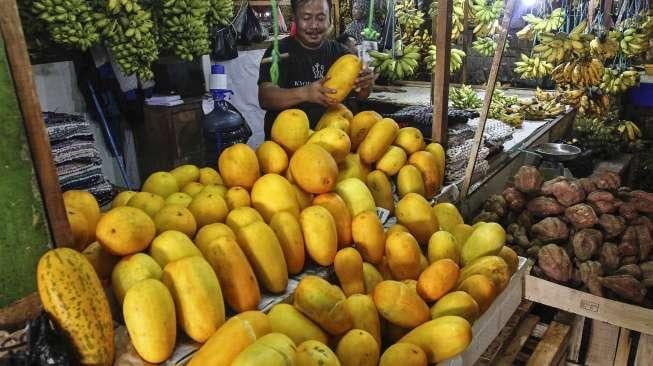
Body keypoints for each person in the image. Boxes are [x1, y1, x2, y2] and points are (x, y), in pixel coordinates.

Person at [258, 0, 375, 139]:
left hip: (332, 145)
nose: (314, 25)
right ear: (294, 18)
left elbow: (359, 96)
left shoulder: (342, 54)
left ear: (329, 17)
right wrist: (305, 92)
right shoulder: (278, 53)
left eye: (321, 18)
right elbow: (265, 97)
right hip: (286, 148)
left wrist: (366, 86)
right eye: (306, 18)